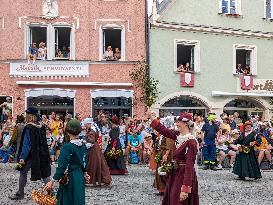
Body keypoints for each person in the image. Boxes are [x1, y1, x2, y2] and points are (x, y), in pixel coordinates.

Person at [148, 111, 199, 205]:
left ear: (186, 123)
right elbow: (163, 130)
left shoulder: (191, 142)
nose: (176, 124)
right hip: (175, 174)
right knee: (172, 198)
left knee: (178, 200)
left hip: (183, 176)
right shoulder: (178, 136)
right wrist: (152, 117)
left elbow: (189, 166)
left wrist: (186, 188)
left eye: (179, 122)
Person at [9, 107, 51, 200]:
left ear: (29, 115)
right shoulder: (42, 126)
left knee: (23, 173)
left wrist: (22, 157)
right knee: (45, 174)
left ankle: (20, 193)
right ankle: (51, 192)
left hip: (30, 155)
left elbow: (26, 144)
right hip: (41, 154)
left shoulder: (29, 127)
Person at [45, 119, 90, 205]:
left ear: (68, 132)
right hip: (79, 176)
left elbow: (62, 167)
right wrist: (85, 173)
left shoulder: (67, 147)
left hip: (70, 177)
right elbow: (83, 161)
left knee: (68, 200)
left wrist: (52, 181)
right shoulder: (83, 145)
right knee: (78, 199)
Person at [85, 119, 112, 186]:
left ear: (89, 124)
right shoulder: (93, 129)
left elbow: (92, 140)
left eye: (86, 124)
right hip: (95, 148)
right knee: (99, 163)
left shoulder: (92, 130)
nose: (85, 126)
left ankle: (93, 180)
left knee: (94, 164)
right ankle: (100, 180)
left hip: (93, 149)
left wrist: (85, 142)